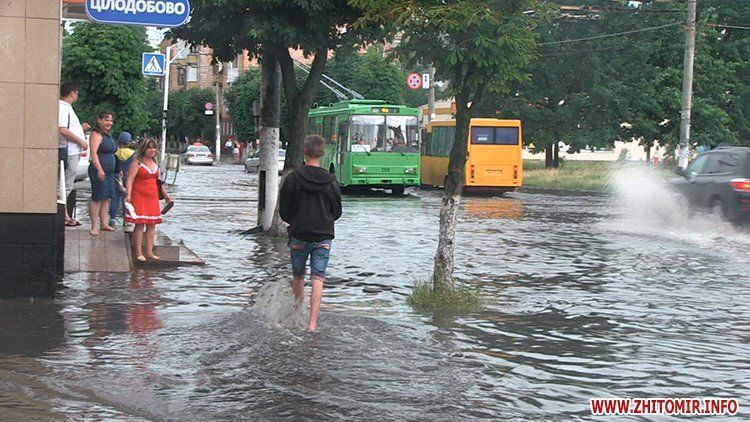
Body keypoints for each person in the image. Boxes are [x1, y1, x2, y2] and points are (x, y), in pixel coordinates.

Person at [279, 135, 342, 332]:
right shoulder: (331, 181)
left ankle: (298, 312)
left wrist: (296, 221)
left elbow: (284, 211)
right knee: (318, 277)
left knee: (298, 276)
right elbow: (337, 211)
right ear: (322, 154)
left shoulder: (293, 179)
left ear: (304, 152)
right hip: (323, 236)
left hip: (299, 235)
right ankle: (312, 323)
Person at [125, 139, 172, 262]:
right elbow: (130, 179)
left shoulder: (155, 162)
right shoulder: (137, 162)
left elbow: (159, 182)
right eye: (149, 148)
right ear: (144, 149)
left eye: (154, 148)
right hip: (138, 196)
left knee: (152, 225)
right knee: (139, 224)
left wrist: (166, 196)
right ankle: (138, 252)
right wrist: (128, 195)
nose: (152, 150)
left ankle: (149, 252)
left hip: (152, 197)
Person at [58, 81, 90, 226]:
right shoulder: (63, 108)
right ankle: (63, 215)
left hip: (72, 151)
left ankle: (65, 214)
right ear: (73, 93)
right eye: (77, 93)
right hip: (70, 152)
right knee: (66, 184)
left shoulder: (67, 108)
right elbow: (63, 129)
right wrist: (81, 142)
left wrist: (80, 129)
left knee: (66, 184)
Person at [88, 111, 118, 236]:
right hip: (99, 170)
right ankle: (94, 226)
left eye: (111, 120)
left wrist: (118, 170)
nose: (109, 123)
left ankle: (104, 223)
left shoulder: (108, 135)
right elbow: (93, 153)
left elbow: (114, 153)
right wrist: (99, 169)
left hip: (110, 172)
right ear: (99, 120)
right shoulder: (96, 134)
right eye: (106, 120)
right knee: (97, 197)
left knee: (106, 197)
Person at [109, 131, 134, 227]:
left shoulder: (115, 152)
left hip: (115, 178)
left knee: (114, 198)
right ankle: (126, 220)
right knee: (126, 199)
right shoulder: (133, 154)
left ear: (119, 141)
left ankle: (112, 219)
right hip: (127, 179)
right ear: (129, 143)